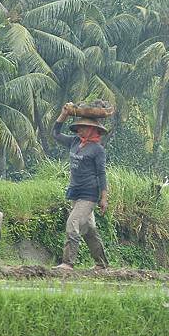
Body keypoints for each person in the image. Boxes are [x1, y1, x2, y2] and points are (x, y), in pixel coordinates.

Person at [51, 103, 110, 271]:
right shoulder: (75, 142)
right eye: (78, 127)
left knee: (73, 223)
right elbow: (55, 133)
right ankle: (102, 263)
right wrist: (63, 114)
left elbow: (102, 174)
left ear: (93, 129)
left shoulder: (97, 150)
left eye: (83, 127)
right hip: (75, 192)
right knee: (88, 229)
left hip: (89, 194)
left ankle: (68, 262)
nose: (79, 130)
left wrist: (104, 198)